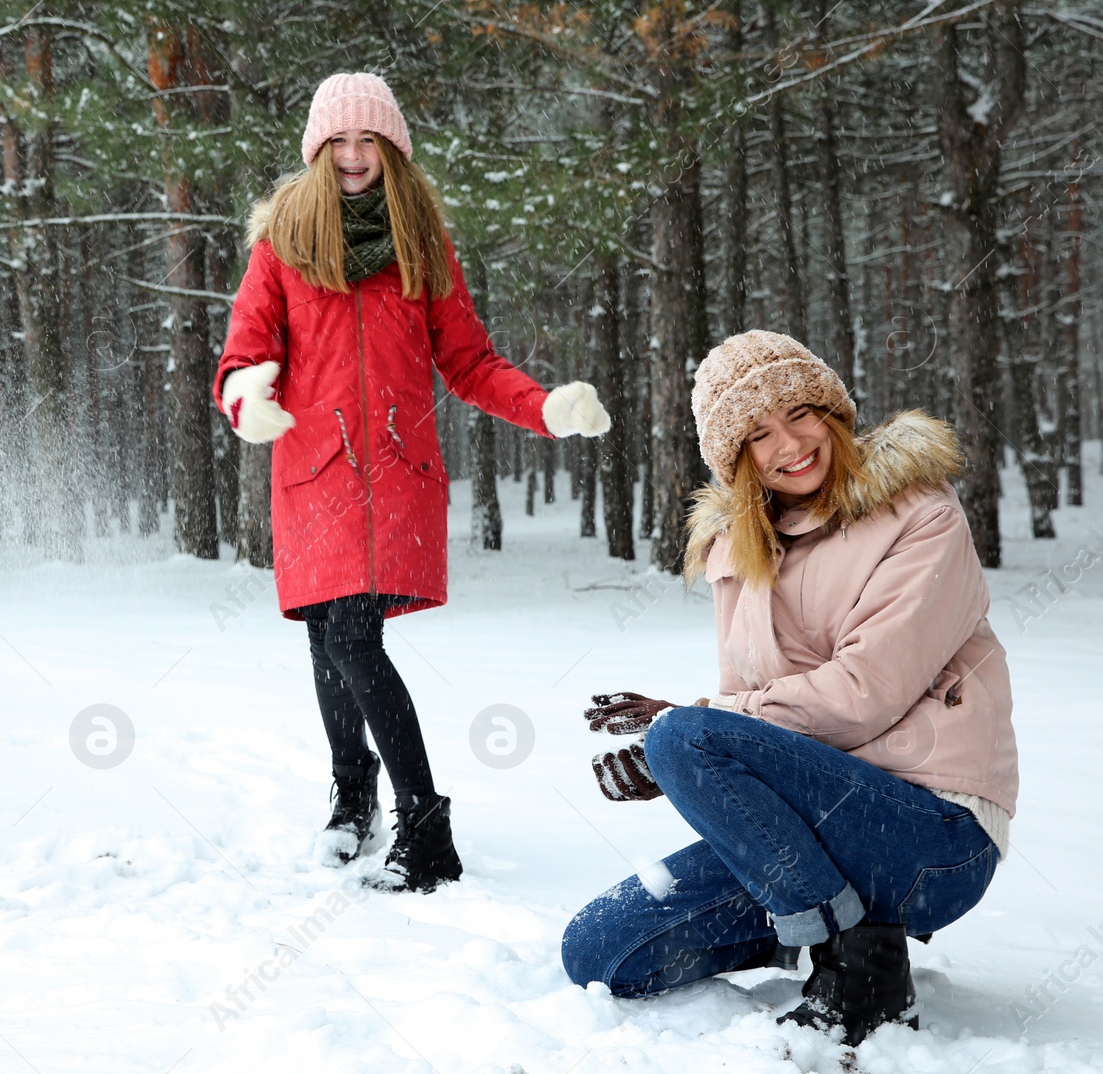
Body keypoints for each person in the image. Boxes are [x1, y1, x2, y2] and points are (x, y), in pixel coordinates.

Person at [214, 72, 611, 893]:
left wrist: (546, 409)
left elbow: (467, 363)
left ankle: (425, 830)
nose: (355, 157)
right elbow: (247, 347)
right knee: (327, 638)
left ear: (393, 153)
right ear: (318, 151)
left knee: (356, 638)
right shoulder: (280, 247)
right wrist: (246, 393)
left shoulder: (423, 247)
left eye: (371, 142)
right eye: (340, 143)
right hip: (313, 472)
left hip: (394, 472)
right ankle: (352, 800)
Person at [561, 331, 1017, 1044]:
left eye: (799, 413)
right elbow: (754, 718)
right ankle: (840, 925)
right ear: (735, 458)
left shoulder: (920, 511)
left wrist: (695, 732)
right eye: (757, 435)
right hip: (817, 842)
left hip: (932, 835)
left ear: (832, 411)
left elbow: (866, 691)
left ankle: (861, 973)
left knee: (686, 734)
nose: (789, 444)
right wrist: (690, 769)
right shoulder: (739, 550)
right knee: (599, 949)